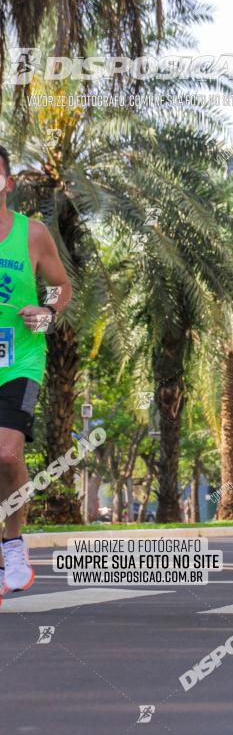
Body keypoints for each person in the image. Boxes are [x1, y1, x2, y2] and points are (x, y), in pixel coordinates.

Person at [0, 145, 71, 607]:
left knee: (7, 453)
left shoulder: (32, 234)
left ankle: (13, 545)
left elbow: (62, 286)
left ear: (6, 182)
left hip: (19, 359)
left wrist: (45, 312)